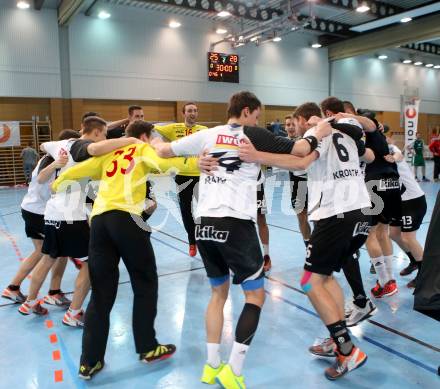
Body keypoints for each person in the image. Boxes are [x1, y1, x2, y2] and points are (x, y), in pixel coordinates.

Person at [153, 91, 333, 388]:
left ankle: (211, 366)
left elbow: (162, 151)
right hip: (235, 223)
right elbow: (300, 151)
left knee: (217, 295)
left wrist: (149, 136)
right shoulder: (253, 135)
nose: (258, 120)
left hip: (205, 224)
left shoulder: (208, 135)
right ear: (247, 112)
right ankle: (233, 369)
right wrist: (318, 134)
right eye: (257, 114)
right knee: (255, 296)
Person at [52, 120, 199, 379]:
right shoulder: (142, 149)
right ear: (144, 136)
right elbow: (167, 164)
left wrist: (57, 183)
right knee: (145, 284)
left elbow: (77, 171)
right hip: (128, 220)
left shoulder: (109, 154)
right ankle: (147, 347)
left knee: (101, 292)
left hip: (99, 223)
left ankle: (89, 362)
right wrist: (201, 164)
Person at [238, 101, 371, 380]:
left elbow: (300, 160)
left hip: (335, 213)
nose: (295, 129)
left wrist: (257, 156)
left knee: (310, 282)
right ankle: (337, 338)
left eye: (295, 123)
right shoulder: (345, 130)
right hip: (360, 211)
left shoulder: (317, 130)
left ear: (302, 119)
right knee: (326, 278)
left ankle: (347, 351)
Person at [18, 117, 140, 327]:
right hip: (70, 216)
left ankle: (28, 303)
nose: (103, 138)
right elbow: (93, 149)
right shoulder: (82, 145)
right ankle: (74, 313)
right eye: (103, 134)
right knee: (90, 264)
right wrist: (131, 141)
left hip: (52, 213)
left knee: (47, 258)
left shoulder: (60, 145)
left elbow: (43, 144)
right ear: (96, 133)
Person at [2, 130, 80, 305]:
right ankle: (53, 292)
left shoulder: (46, 158)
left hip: (30, 208)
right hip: (39, 212)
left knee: (40, 252)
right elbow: (47, 183)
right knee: (58, 252)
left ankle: (13, 288)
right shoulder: (56, 162)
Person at [344, 101, 401, 298]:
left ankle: (386, 282)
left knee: (369, 235)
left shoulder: (360, 132)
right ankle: (389, 279)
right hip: (392, 183)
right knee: (383, 233)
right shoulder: (380, 134)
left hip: (374, 183)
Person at [154, 102, 207, 257]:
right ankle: (192, 241)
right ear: (184, 113)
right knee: (185, 210)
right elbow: (153, 129)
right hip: (182, 176)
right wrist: (162, 143)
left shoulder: (203, 130)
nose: (193, 113)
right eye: (190, 111)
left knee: (205, 210)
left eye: (195, 111)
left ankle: (204, 239)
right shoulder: (174, 128)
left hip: (201, 175)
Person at [386, 138, 427, 288]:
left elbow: (399, 156)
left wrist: (393, 157)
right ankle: (414, 261)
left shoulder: (390, 148)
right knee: (394, 234)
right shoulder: (372, 152)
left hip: (413, 200)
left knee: (408, 237)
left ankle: (424, 274)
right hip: (399, 202)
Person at [288, 112, 311, 247]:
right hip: (297, 185)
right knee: (301, 217)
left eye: (293, 124)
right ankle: (309, 247)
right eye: (288, 125)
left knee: (318, 218)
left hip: (314, 183)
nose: (291, 127)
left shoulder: (310, 140)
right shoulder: (283, 143)